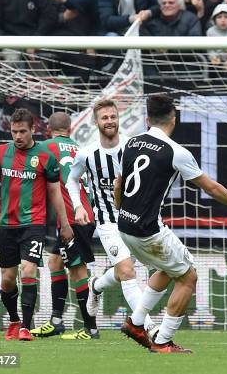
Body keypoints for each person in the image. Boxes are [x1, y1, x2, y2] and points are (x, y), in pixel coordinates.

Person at [117, 95, 227, 353]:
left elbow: (119, 184)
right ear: (173, 120)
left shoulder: (130, 143)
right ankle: (163, 341)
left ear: (147, 119)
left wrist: (123, 210)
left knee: (168, 269)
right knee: (188, 277)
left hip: (125, 226)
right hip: (148, 230)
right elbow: (210, 187)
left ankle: (136, 323)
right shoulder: (176, 151)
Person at [0, 108, 73, 341]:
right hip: (7, 226)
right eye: (14, 132)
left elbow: (55, 193)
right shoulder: (1, 153)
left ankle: (25, 328)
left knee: (29, 270)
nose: (17, 136)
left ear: (32, 131)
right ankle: (14, 320)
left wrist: (65, 223)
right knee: (8, 279)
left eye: (22, 132)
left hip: (33, 224)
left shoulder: (46, 157)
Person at [66, 100, 157, 338]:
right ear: (96, 122)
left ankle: (95, 286)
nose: (109, 121)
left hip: (136, 221)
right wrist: (78, 207)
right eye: (104, 118)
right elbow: (71, 180)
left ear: (118, 119)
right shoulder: (87, 154)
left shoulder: (133, 147)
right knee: (127, 272)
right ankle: (149, 327)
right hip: (108, 222)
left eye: (113, 117)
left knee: (121, 271)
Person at [30, 113, 99, 339]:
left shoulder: (43, 147)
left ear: (48, 128)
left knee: (78, 269)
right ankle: (56, 322)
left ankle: (91, 328)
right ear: (70, 129)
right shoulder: (81, 148)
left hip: (70, 218)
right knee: (55, 262)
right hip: (82, 213)